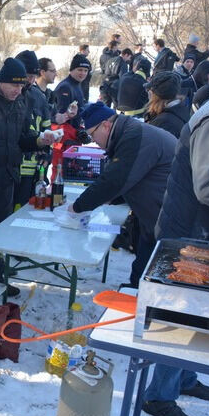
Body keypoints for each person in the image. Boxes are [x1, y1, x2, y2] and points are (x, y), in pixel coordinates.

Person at [144, 93, 209, 416]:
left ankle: (184, 377)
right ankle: (158, 396)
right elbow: (208, 186)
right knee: (181, 312)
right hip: (190, 233)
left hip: (206, 232)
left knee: (199, 313)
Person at [0, 58, 56, 297]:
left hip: (8, 176)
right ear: (1, 83)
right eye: (14, 85)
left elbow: (20, 140)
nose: (19, 89)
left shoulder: (20, 102)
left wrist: (39, 140)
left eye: (22, 84)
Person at [70, 103, 175, 288]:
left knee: (155, 274)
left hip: (168, 217)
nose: (93, 140)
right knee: (143, 265)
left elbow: (114, 180)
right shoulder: (129, 132)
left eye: (92, 134)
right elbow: (133, 175)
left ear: (106, 125)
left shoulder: (134, 136)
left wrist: (77, 206)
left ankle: (139, 298)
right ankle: (136, 290)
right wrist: (114, 198)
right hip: (153, 216)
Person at [13, 50, 51, 211]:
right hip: (10, 169)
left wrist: (47, 152)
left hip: (32, 170)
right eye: (28, 76)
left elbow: (46, 128)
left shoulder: (38, 97)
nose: (31, 80)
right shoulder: (5, 94)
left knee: (24, 214)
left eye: (34, 77)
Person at [144, 72, 190, 138]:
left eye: (149, 90)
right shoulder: (181, 109)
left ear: (155, 95)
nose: (148, 93)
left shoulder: (163, 123)